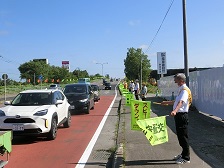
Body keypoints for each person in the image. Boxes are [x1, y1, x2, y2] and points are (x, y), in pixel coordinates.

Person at [161, 73, 192, 164]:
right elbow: (177, 101)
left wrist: (175, 110)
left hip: (182, 115)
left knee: (183, 137)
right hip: (179, 116)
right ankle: (183, 154)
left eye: (176, 80)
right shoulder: (181, 90)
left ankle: (186, 158)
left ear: (181, 80)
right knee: (180, 136)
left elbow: (181, 102)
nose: (175, 82)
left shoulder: (184, 91)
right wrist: (167, 103)